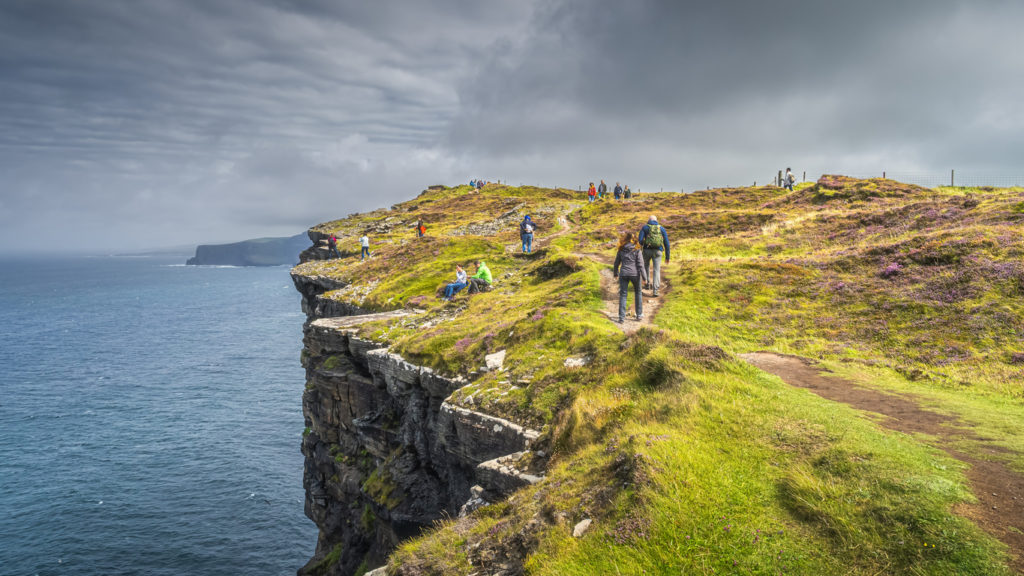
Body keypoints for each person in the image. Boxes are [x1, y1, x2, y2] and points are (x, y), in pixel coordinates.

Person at [613, 231, 648, 323]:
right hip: (635, 274)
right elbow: (641, 265)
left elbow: (616, 263)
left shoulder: (621, 249)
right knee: (638, 293)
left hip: (623, 274)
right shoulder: (637, 250)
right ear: (634, 239)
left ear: (625, 239)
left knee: (623, 295)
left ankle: (621, 318)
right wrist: (645, 278)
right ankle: (639, 315)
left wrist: (615, 273)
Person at [638, 215, 670, 297]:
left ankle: (647, 284)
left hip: (646, 250)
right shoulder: (661, 228)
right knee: (656, 270)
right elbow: (666, 243)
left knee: (645, 266)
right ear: (656, 220)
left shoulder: (645, 227)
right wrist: (667, 257)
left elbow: (640, 240)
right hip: (658, 251)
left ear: (649, 220)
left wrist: (643, 245)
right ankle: (655, 291)